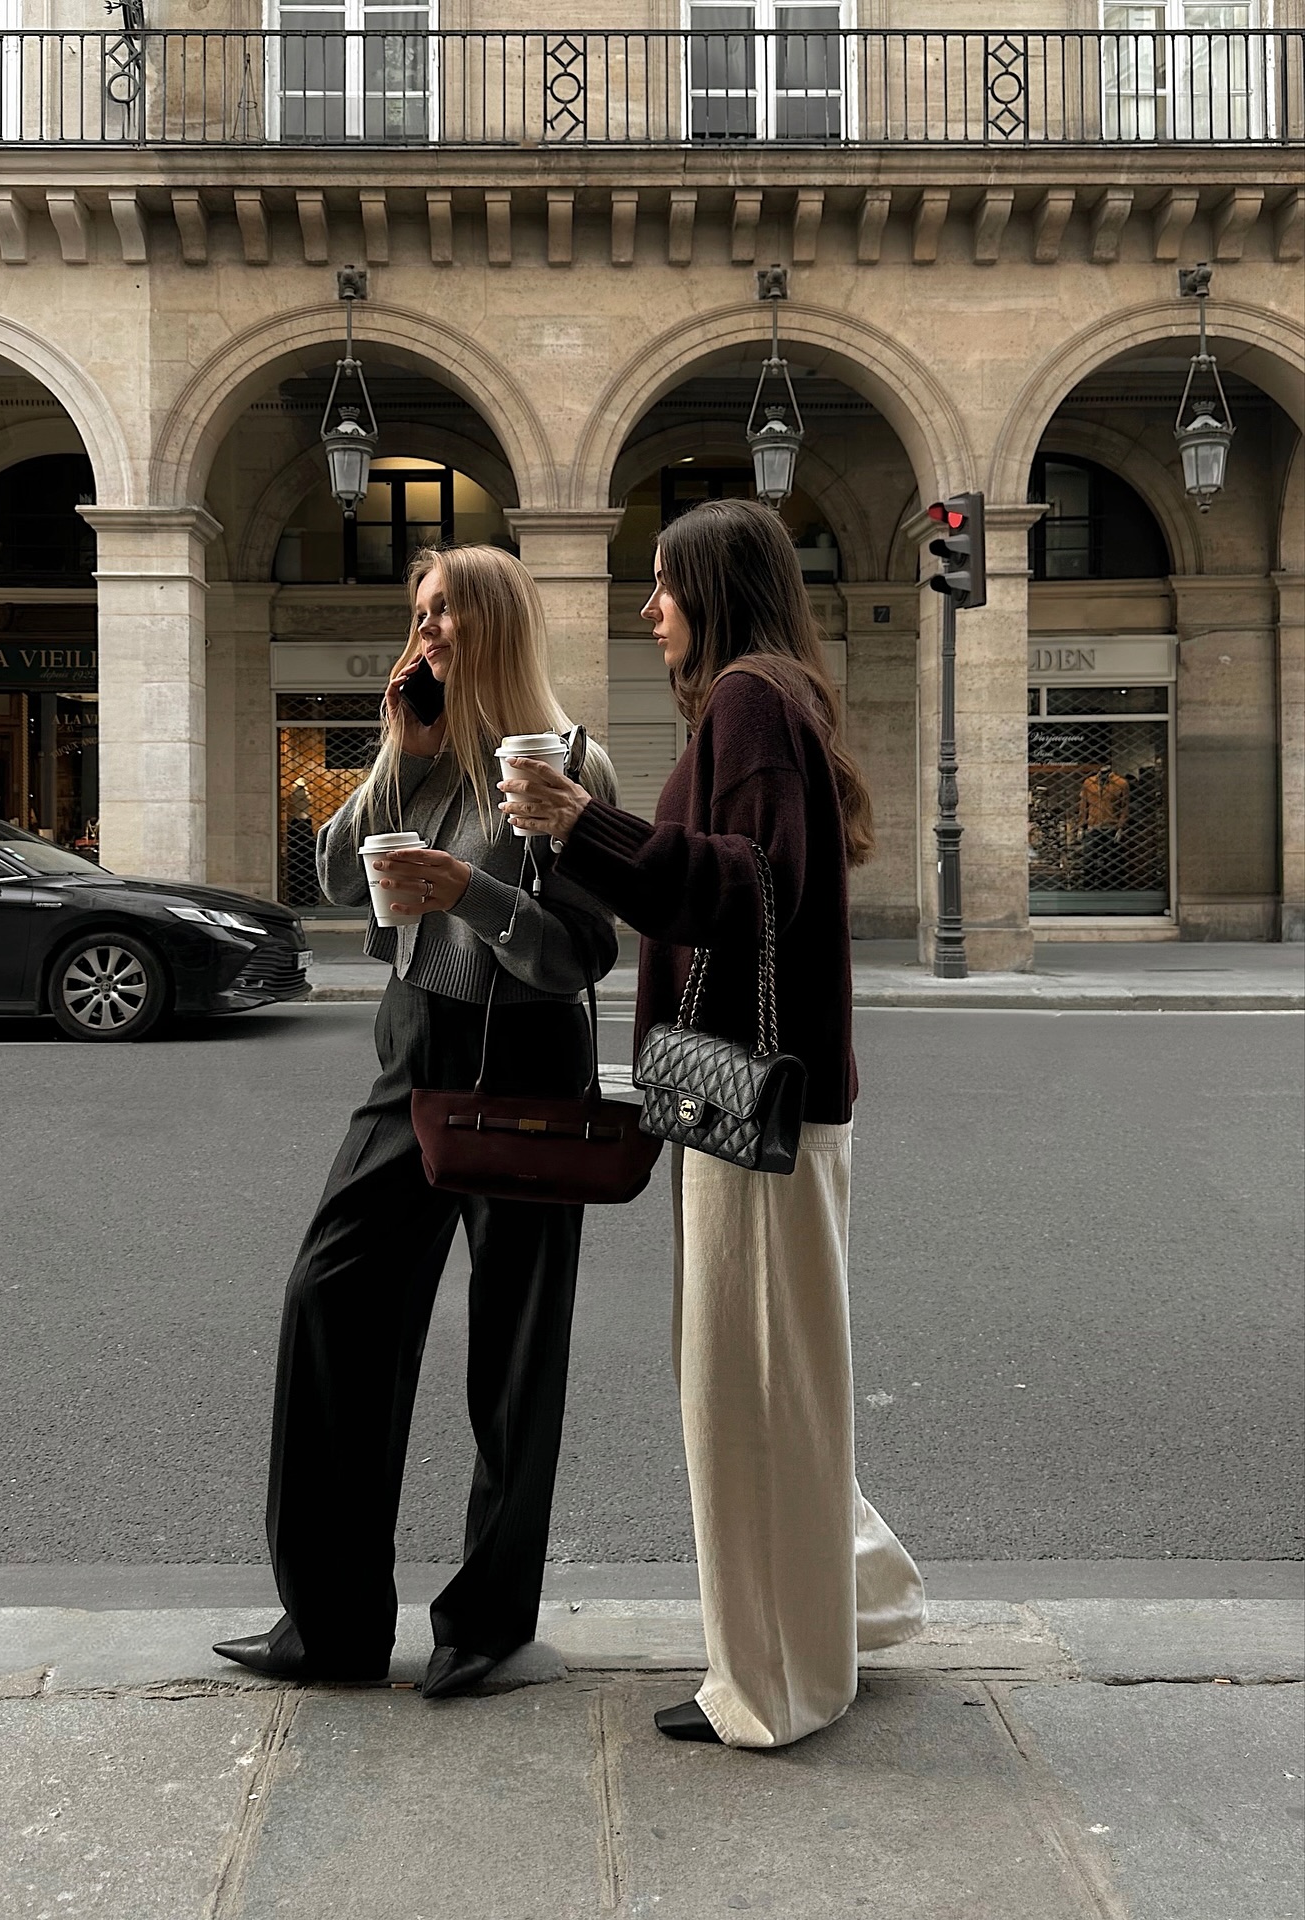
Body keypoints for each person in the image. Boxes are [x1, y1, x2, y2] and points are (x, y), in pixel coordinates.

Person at [498, 497, 926, 1749]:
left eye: (665, 586)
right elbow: (743, 879)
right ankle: (844, 1611)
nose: (649, 609)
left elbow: (756, 890)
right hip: (771, 1097)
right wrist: (588, 838)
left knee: (744, 1393)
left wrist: (590, 825)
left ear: (717, 590)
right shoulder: (771, 694)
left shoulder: (747, 698)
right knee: (775, 1380)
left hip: (750, 1101)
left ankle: (776, 1682)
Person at [215, 545, 618, 1699]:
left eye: (443, 611)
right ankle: (332, 1624)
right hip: (412, 1055)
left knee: (513, 1354)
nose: (425, 630)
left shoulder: (568, 759)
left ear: (493, 620)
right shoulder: (427, 751)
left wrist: (474, 893)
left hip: (527, 1062)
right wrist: (400, 749)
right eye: (420, 612)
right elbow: (343, 879)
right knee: (331, 1300)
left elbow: (583, 951)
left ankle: (485, 1628)